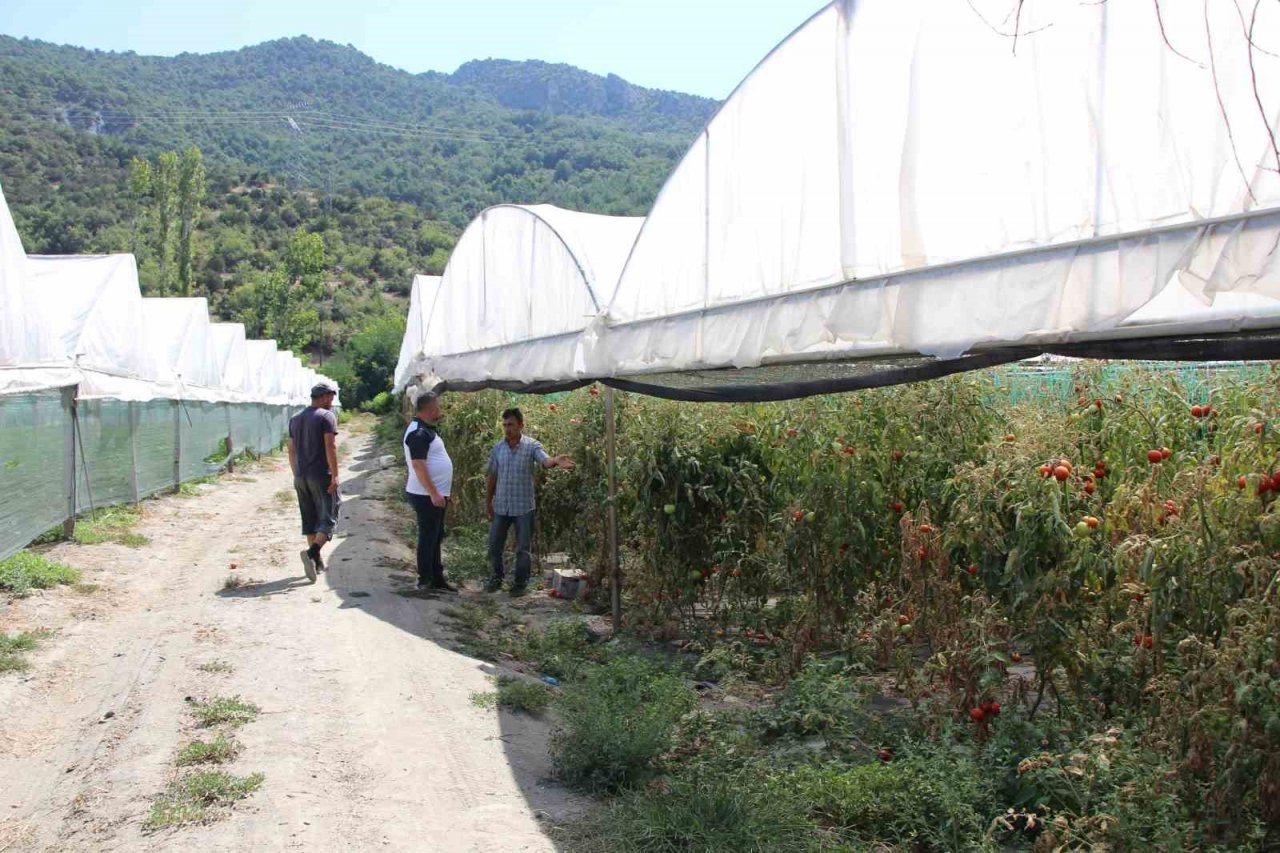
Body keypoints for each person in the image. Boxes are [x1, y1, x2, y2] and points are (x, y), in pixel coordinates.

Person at [485, 407, 574, 596]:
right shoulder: (498, 448)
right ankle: (496, 579)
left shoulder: (531, 446)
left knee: (523, 549)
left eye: (511, 425)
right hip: (501, 506)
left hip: (523, 507)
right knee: (494, 545)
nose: (507, 429)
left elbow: (545, 461)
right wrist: (488, 503)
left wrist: (556, 460)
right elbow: (492, 476)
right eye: (505, 425)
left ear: (521, 425)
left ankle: (520, 585)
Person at [404, 391, 457, 593]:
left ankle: (436, 577)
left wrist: (441, 491)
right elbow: (418, 465)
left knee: (435, 536)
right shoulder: (418, 432)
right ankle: (425, 579)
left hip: (433, 494)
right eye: (438, 407)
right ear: (431, 409)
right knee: (428, 537)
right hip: (425, 495)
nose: (440, 411)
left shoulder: (424, 429)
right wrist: (434, 493)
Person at [287, 381, 340, 583]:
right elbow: (330, 446)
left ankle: (316, 563)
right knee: (329, 518)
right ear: (324, 396)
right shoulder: (326, 417)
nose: (332, 401)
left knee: (310, 519)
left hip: (301, 476)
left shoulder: (295, 419)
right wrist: (334, 475)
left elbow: (291, 449)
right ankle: (311, 553)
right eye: (331, 397)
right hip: (321, 475)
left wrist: (296, 473)